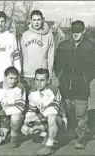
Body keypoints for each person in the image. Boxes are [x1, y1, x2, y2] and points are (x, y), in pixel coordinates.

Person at [54, 20, 95, 149]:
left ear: (84, 31)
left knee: (81, 113)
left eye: (78, 31)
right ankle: (70, 134)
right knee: (68, 111)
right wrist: (60, 76)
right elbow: (57, 63)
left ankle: (81, 138)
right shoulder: (64, 45)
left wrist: (86, 78)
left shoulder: (90, 46)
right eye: (73, 31)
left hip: (82, 86)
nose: (75, 34)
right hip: (66, 85)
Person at [21, 68, 66, 155]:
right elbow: (32, 110)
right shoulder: (32, 93)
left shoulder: (54, 90)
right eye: (37, 80)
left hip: (59, 120)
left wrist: (34, 118)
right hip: (45, 120)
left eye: (42, 80)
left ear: (48, 80)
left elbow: (52, 110)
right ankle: (49, 135)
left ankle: (49, 146)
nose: (39, 82)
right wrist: (28, 119)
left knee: (51, 117)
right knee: (25, 130)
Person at [21, 10, 55, 91]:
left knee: (42, 101)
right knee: (28, 101)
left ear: (42, 20)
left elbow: (51, 57)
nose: (36, 22)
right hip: (27, 75)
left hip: (42, 76)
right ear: (31, 21)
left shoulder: (49, 35)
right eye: (34, 20)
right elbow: (22, 55)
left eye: (39, 20)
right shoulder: (25, 35)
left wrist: (49, 75)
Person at [0, 67, 25, 148]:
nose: (13, 81)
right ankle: (8, 131)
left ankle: (14, 136)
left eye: (15, 78)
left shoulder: (20, 87)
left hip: (17, 116)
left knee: (15, 116)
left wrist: (2, 112)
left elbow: (20, 107)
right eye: (10, 78)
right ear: (4, 77)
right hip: (5, 118)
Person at [0, 11, 21, 84]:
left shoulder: (11, 37)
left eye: (2, 21)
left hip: (9, 76)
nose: (0, 24)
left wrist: (18, 71)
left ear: (6, 22)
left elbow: (16, 57)